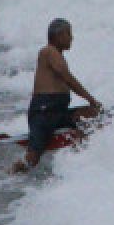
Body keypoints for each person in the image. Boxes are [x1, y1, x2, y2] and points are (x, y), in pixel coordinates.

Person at [12, 18, 101, 173]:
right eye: (69, 34)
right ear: (59, 35)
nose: (72, 38)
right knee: (32, 160)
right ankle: (10, 174)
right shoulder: (48, 51)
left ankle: (81, 161)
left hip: (58, 111)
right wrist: (90, 98)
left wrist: (91, 104)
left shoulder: (57, 54)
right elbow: (67, 77)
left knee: (91, 114)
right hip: (43, 113)